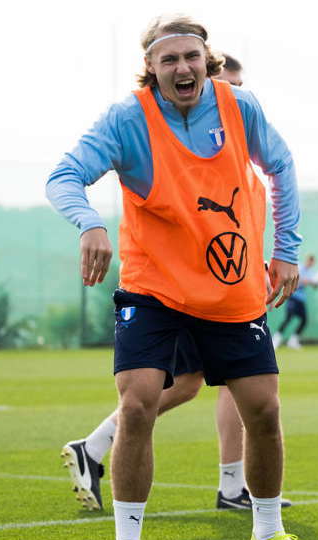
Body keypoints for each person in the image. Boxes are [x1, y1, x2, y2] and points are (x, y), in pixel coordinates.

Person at [46, 14, 318, 540]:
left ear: (207, 62)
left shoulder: (238, 107)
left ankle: (268, 535)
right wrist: (89, 224)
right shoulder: (127, 118)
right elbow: (65, 175)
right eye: (169, 59)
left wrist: (287, 250)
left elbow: (282, 166)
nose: (182, 67)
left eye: (191, 57)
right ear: (150, 67)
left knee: (265, 410)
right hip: (153, 287)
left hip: (230, 287)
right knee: (139, 403)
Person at [60, 56, 292, 513]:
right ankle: (231, 486)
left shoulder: (239, 153)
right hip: (178, 290)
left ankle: (94, 446)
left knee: (188, 384)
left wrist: (265, 259)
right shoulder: (159, 127)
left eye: (243, 86)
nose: (238, 95)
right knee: (221, 386)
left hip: (227, 286)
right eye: (230, 84)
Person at [273, 253, 318, 349]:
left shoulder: (311, 272)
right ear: (307, 260)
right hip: (292, 296)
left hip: (301, 300)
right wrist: (305, 281)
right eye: (310, 262)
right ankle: (275, 340)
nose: (311, 264)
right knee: (288, 318)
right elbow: (295, 280)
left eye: (312, 263)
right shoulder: (299, 268)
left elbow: (314, 285)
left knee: (304, 320)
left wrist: (317, 283)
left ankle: (293, 341)